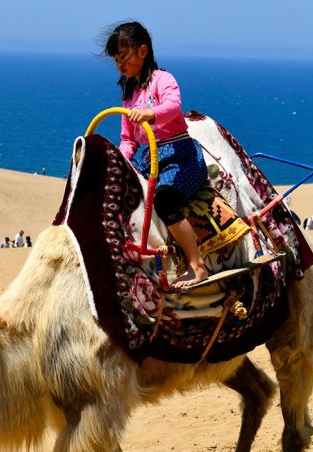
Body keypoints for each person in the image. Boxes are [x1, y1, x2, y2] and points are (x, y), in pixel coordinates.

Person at [103, 21, 207, 288]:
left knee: (164, 200)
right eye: (116, 59)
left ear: (142, 51)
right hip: (147, 159)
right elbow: (128, 139)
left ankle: (197, 266)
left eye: (123, 56)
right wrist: (119, 159)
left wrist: (151, 113)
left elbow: (173, 106)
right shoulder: (128, 98)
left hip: (179, 155)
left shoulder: (163, 79)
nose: (120, 63)